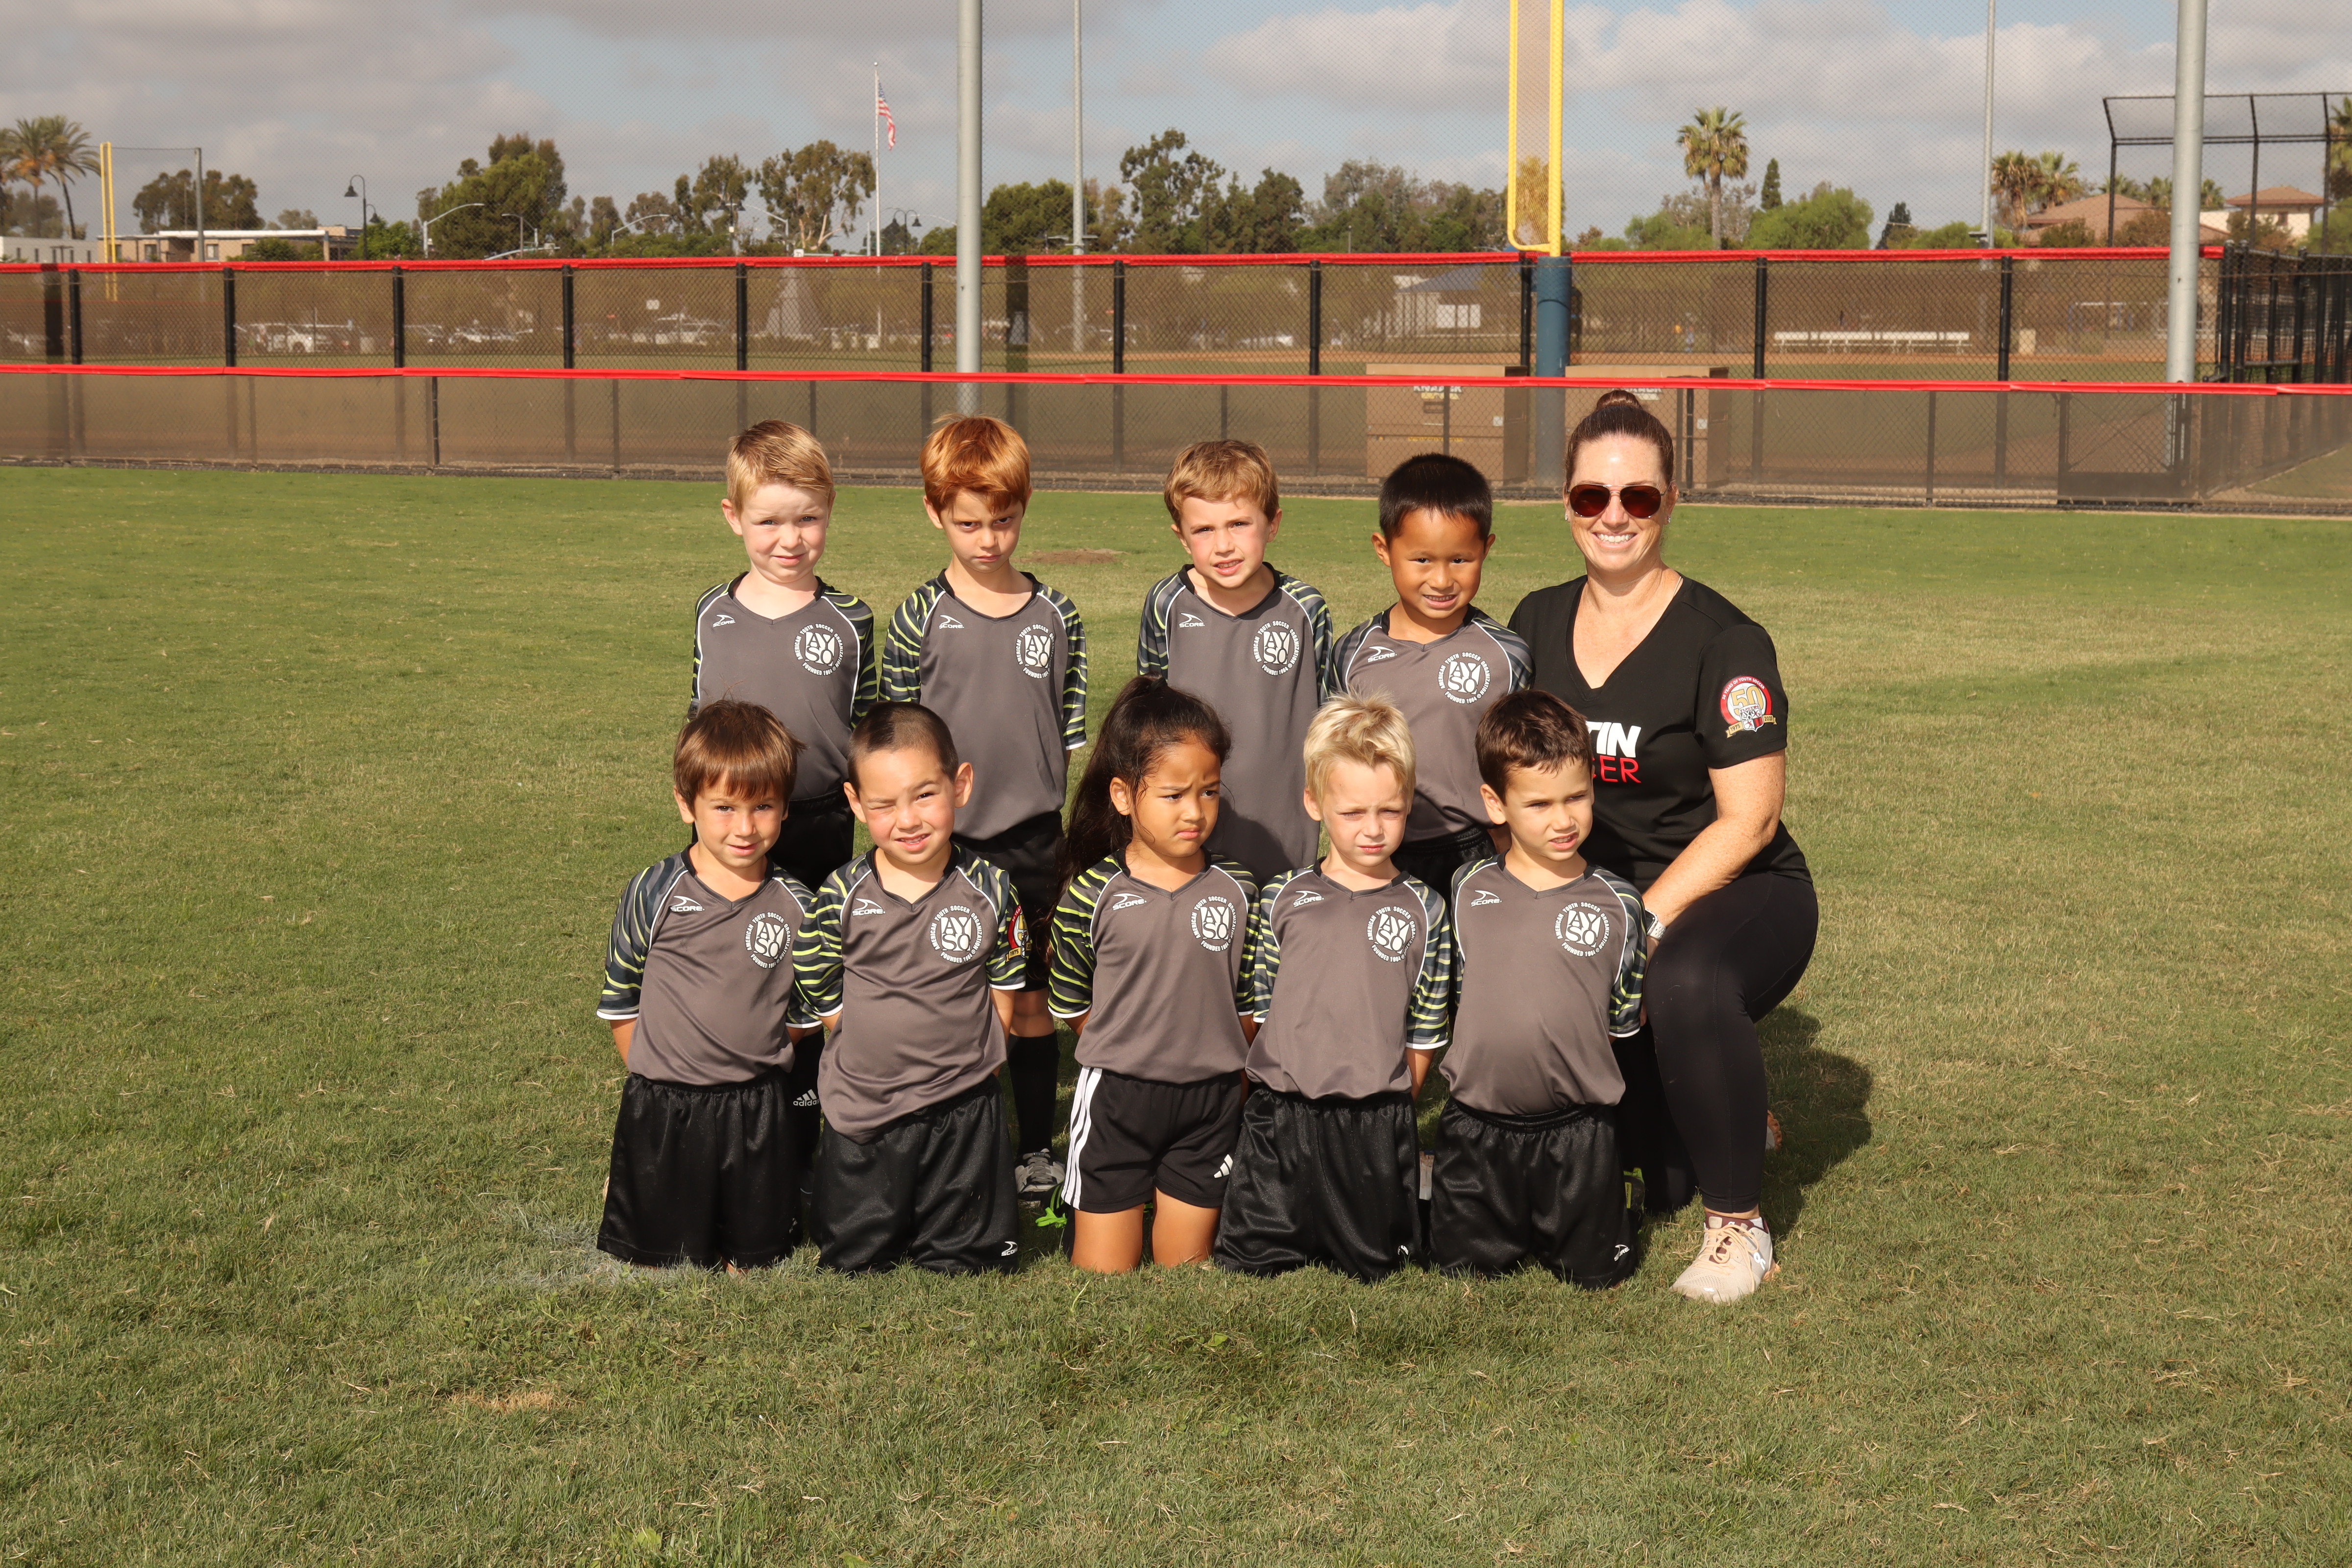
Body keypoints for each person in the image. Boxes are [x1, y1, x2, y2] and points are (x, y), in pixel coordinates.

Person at [1507, 388, 1817, 1305]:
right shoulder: (1533, 621)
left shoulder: (1726, 640)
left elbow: (1749, 822)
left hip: (1731, 891)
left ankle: (1739, 1230)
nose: (1614, 516)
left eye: (1637, 496)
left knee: (1683, 979)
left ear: (1671, 501)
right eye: (1591, 495)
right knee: (1657, 1168)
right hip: (1599, 894)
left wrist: (1635, 923)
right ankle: (1725, 1104)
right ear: (1565, 502)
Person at [881, 416, 1087, 1202]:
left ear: (1024, 508)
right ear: (934, 513)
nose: (989, 539)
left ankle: (1034, 1151)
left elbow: (1062, 736)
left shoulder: (1057, 616)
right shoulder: (917, 617)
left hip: (1034, 844)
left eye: (1004, 520)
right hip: (941, 847)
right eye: (969, 524)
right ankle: (936, 1149)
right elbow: (898, 742)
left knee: (1030, 1004)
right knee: (941, 1001)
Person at [688, 419, 878, 1182]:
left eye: (807, 519)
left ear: (830, 512)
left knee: (809, 972)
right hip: (728, 832)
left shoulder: (851, 621)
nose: (790, 539)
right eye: (769, 521)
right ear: (734, 517)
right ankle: (726, 1116)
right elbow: (699, 727)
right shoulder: (712, 612)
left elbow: (869, 732)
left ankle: (805, 1129)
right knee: (733, 971)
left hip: (817, 826)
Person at [1214, 694, 1452, 1283]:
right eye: (1353, 812)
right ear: (1314, 803)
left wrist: (1393, 1102)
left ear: (1408, 801)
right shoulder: (1283, 897)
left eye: (1390, 810)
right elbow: (1258, 1004)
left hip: (1372, 1121)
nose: (1373, 828)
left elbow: (1427, 1024)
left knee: (1376, 1269)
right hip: (1281, 1115)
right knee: (1250, 1262)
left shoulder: (1426, 908)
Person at [789, 702, 1029, 1274]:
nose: (908, 819)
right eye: (884, 804)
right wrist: (849, 1030)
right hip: (866, 1103)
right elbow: (815, 969)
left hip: (963, 1103)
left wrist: (991, 1046)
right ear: (855, 803)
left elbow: (1006, 975)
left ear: (960, 784)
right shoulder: (842, 892)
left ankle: (956, 1237)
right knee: (856, 1258)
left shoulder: (991, 888)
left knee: (966, 1261)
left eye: (925, 795)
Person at [1432, 690, 1649, 1287]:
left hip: (1579, 1132)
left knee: (1597, 1277)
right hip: (1476, 1126)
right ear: (1495, 803)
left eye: (1577, 796)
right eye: (1539, 803)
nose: (1564, 819)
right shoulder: (1466, 887)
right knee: (1464, 1273)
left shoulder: (1620, 904)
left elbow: (1620, 1021)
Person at [594, 700, 819, 1270]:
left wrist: (754, 1055)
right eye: (724, 807)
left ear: (785, 806)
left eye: (763, 806)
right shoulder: (654, 891)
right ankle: (641, 1183)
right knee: (663, 1259)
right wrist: (653, 1079)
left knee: (757, 1260)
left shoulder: (798, 904)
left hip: (757, 1105)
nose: (744, 827)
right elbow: (622, 996)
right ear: (685, 804)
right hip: (665, 1102)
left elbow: (805, 1007)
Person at [1048, 677, 1258, 1273]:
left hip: (1211, 1102)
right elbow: (1071, 999)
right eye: (1173, 794)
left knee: (1184, 1269)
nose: (1195, 811)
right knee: (1104, 1275)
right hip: (1118, 1101)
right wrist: (1132, 1046)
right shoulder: (1091, 893)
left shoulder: (1241, 889)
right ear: (1123, 795)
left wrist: (1221, 1063)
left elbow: (1249, 999)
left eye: (1209, 791)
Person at [1334, 453, 1531, 905]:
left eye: (1460, 559)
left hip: (1477, 850)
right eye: (1422, 559)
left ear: (1486, 549)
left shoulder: (1507, 655)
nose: (1442, 580)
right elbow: (1337, 758)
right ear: (1384, 550)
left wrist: (1509, 839)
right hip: (1380, 848)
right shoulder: (1351, 653)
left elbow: (1519, 760)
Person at [1135, 439, 1334, 883]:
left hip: (1283, 826)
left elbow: (1329, 720)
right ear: (1181, 537)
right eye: (1204, 530)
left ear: (1273, 523)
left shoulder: (1305, 609)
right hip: (1189, 825)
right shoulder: (1166, 603)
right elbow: (1148, 718)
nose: (1223, 545)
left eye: (1240, 524)